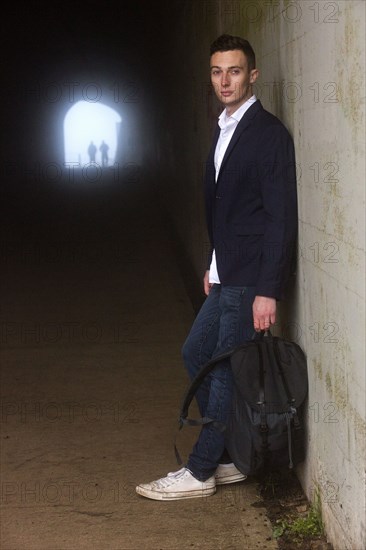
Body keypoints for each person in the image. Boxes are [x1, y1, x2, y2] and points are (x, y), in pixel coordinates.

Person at [136, 34, 298, 501]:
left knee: (225, 370)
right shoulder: (223, 125)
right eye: (216, 72)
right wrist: (212, 262)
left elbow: (279, 218)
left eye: (234, 71)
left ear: (253, 75)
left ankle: (201, 469)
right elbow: (228, 209)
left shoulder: (268, 134)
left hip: (251, 279)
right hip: (226, 271)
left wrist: (269, 289)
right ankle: (227, 456)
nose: (224, 81)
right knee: (196, 353)